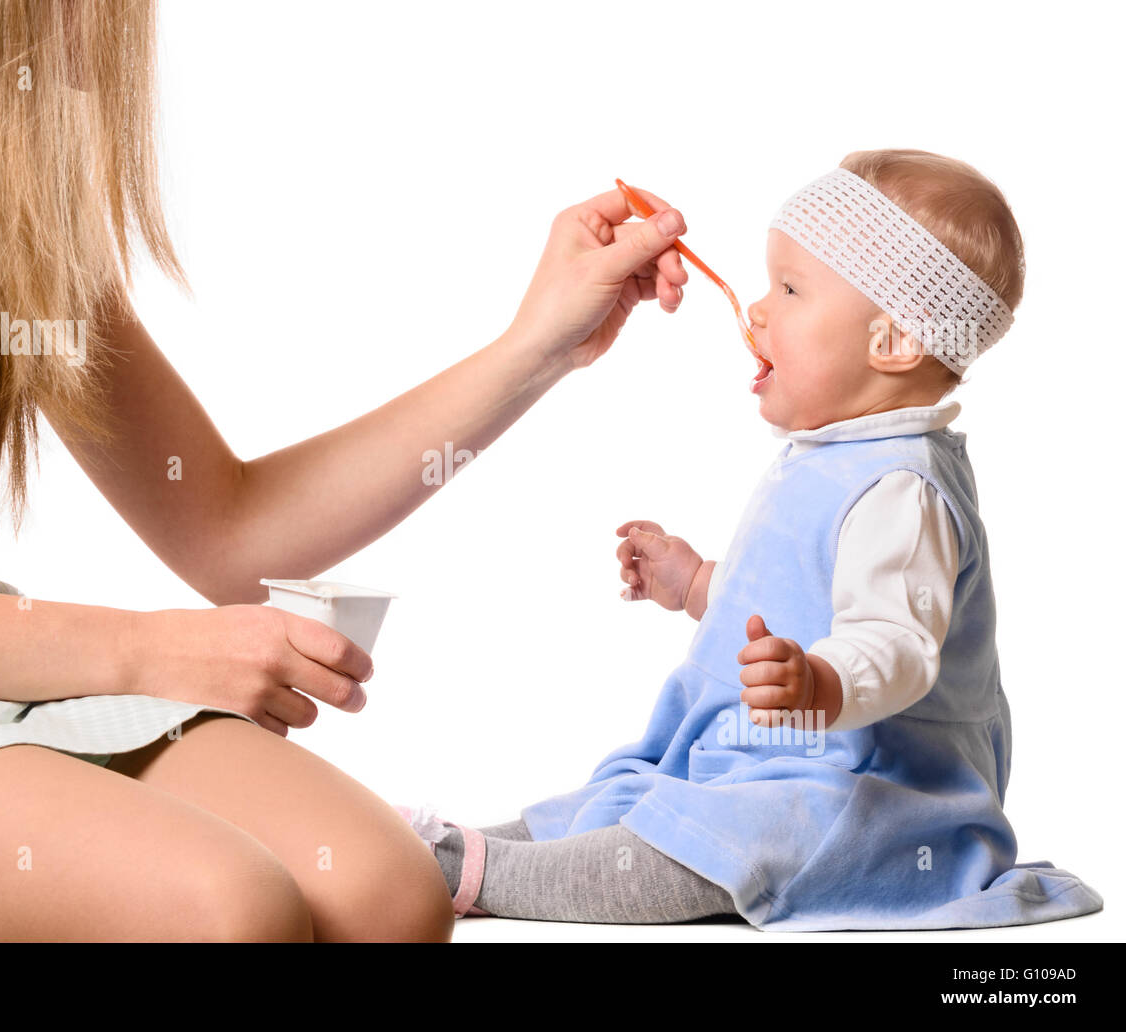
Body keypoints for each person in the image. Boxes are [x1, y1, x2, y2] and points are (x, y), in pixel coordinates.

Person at [0, 0, 691, 943]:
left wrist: (537, 347)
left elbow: (229, 528)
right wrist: (144, 653)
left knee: (386, 893)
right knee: (226, 909)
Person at [401, 149, 1105, 931]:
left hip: (864, 793)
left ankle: (461, 873)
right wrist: (697, 581)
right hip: (753, 760)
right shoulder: (833, 454)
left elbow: (898, 645)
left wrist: (819, 685)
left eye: (792, 289)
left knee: (703, 847)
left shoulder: (900, 485)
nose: (760, 310)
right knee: (622, 798)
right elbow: (790, 597)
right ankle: (447, 847)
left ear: (896, 342)